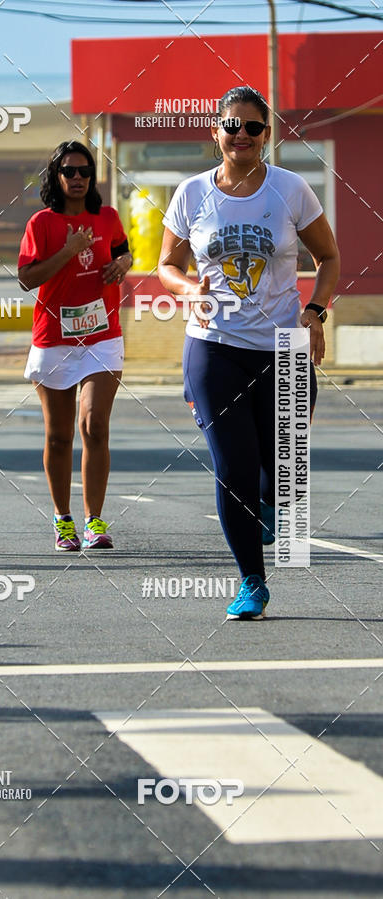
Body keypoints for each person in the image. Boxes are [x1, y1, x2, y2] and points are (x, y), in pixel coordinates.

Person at [158, 86, 340, 619]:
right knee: (232, 465)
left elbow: (327, 256)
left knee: (279, 470)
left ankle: (270, 502)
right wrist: (189, 290)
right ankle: (251, 581)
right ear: (215, 131)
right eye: (231, 126)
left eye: (253, 127)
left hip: (284, 343)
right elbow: (165, 265)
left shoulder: (291, 189)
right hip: (214, 346)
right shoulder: (191, 193)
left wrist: (316, 311)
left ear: (267, 134)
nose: (241, 135)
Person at [18, 140, 132, 551]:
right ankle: (63, 519)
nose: (79, 178)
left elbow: (122, 250)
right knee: (59, 436)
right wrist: (68, 251)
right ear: (56, 176)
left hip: (102, 334)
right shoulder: (41, 224)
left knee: (94, 425)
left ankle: (95, 521)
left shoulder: (107, 217)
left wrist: (123, 264)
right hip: (54, 337)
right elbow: (27, 278)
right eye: (70, 171)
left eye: (85, 171)